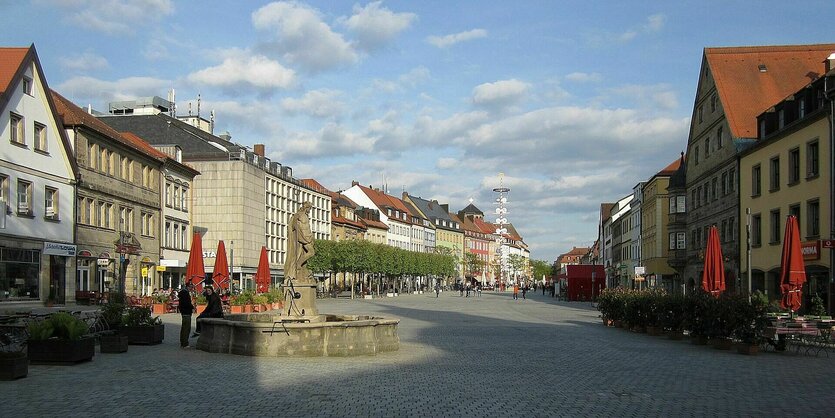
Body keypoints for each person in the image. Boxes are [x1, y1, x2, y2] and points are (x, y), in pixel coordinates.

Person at [284, 201, 315, 284]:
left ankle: (300, 265)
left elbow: (306, 228)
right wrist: (304, 237)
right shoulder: (299, 215)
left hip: (307, 237)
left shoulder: (304, 216)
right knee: (311, 252)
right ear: (306, 207)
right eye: (309, 208)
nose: (310, 210)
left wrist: (311, 236)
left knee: (309, 252)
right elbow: (295, 227)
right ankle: (298, 264)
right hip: (303, 238)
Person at [177, 284, 194, 348]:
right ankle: (185, 343)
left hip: (184, 312)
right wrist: (191, 307)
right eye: (191, 287)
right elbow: (186, 303)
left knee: (184, 327)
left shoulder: (182, 293)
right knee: (186, 328)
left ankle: (183, 342)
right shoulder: (185, 293)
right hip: (186, 312)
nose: (192, 289)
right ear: (187, 287)